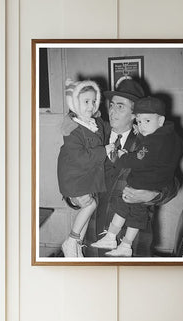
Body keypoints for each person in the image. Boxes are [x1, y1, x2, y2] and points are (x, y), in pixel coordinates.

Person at [91, 96, 183, 256]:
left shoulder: (155, 140)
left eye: (120, 106)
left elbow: (173, 183)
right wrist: (73, 199)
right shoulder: (93, 136)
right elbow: (72, 171)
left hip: (134, 239)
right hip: (93, 233)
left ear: (134, 113)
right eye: (111, 105)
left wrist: (154, 195)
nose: (112, 110)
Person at [57, 78, 115, 257]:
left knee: (90, 206)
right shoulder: (73, 128)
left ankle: (74, 246)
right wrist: (103, 151)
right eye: (86, 102)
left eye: (94, 101)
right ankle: (72, 241)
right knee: (89, 205)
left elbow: (109, 127)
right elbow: (80, 158)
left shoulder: (94, 123)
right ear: (74, 103)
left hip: (84, 176)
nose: (91, 106)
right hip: (74, 176)